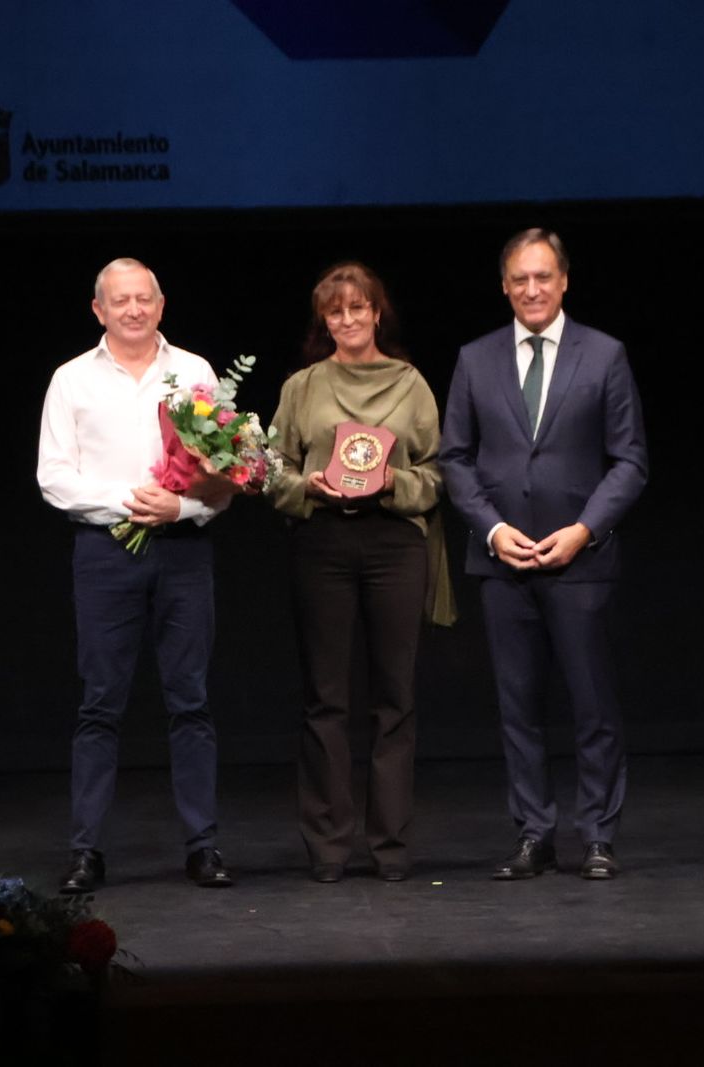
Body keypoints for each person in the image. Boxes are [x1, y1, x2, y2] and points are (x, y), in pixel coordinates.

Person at [442, 229, 649, 880]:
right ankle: (534, 831)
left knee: (592, 703)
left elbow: (631, 460)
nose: (532, 289)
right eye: (519, 279)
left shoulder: (605, 354)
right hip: (504, 562)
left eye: (543, 277)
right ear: (504, 286)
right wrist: (494, 529)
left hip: (580, 560)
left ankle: (597, 835)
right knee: (518, 706)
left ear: (564, 281)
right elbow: (453, 458)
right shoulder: (475, 359)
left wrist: (584, 529)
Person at [37, 257, 235, 892]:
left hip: (182, 550)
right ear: (98, 310)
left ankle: (203, 846)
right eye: (119, 301)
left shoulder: (195, 372)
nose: (132, 310)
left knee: (192, 700)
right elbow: (54, 476)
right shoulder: (70, 380)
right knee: (99, 705)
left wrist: (183, 505)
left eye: (143, 298)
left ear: (161, 303)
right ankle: (86, 851)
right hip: (105, 554)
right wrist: (129, 501)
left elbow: (228, 469)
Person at [266, 263, 455, 883]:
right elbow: (269, 469)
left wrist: (393, 481)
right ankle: (327, 847)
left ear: (378, 313)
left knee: (394, 697)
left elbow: (438, 471)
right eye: (335, 311)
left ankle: (391, 847)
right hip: (322, 540)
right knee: (325, 698)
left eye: (358, 308)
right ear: (325, 321)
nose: (347, 320)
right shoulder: (303, 387)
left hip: (394, 544)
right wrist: (308, 486)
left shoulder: (411, 384)